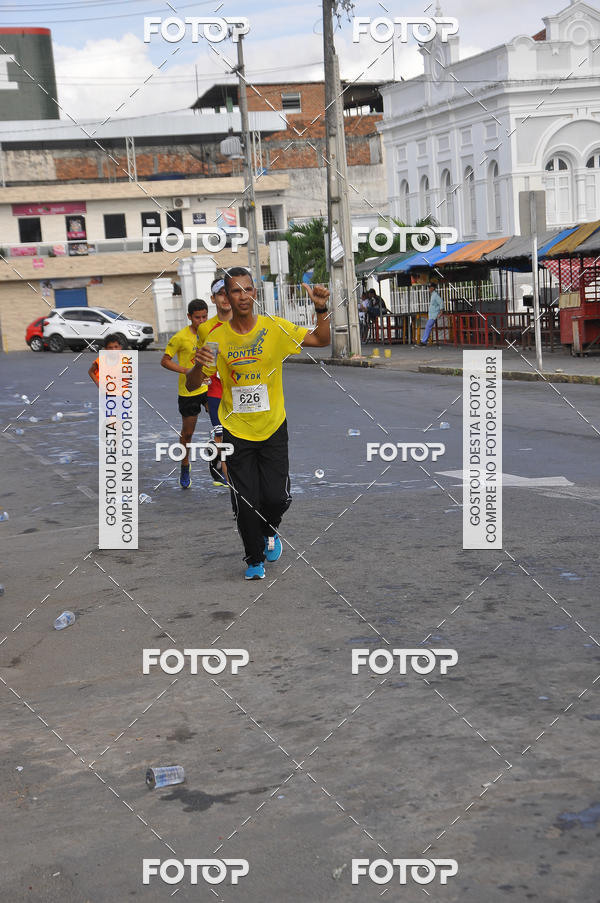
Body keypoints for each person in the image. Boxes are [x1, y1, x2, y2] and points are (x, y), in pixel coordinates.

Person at [187, 267, 330, 581]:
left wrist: (320, 309)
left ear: (255, 293)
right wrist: (196, 367)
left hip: (273, 425)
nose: (243, 296)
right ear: (225, 296)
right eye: (235, 291)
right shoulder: (215, 338)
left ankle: (269, 531)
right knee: (245, 498)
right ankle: (254, 559)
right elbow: (198, 381)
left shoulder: (274, 328)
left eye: (248, 289)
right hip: (236, 430)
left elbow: (321, 338)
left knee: (276, 497)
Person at [161, 299, 209, 489]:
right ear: (189, 317)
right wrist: (185, 371)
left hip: (209, 387)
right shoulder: (180, 337)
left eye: (205, 316)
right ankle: (185, 465)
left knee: (221, 427)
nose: (202, 321)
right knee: (188, 433)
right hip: (188, 390)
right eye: (197, 317)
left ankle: (222, 468)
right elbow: (165, 361)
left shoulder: (212, 334)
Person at [195, 276, 233, 487]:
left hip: (242, 392)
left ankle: (216, 455)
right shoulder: (205, 329)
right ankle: (234, 490)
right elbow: (203, 363)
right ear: (213, 298)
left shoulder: (245, 323)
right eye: (220, 294)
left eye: (228, 293)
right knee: (225, 441)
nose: (225, 298)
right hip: (217, 391)